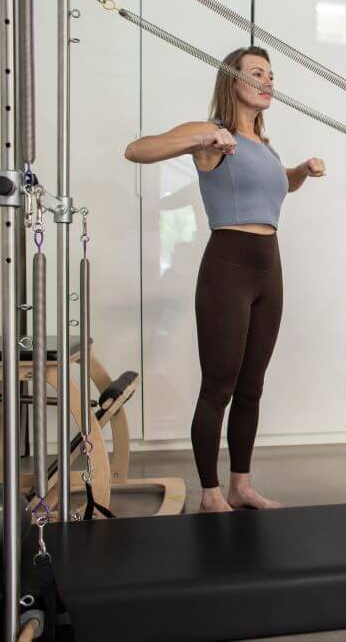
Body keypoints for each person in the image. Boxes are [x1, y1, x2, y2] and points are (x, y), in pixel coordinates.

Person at [125, 46, 326, 512]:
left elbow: (277, 186)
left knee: (253, 384)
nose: (267, 81)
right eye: (256, 73)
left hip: (268, 266)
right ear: (232, 80)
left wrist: (299, 171)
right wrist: (205, 141)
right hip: (229, 266)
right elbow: (137, 150)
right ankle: (210, 493)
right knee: (220, 383)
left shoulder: (264, 146)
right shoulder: (211, 133)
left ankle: (241, 485)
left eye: (271, 75)